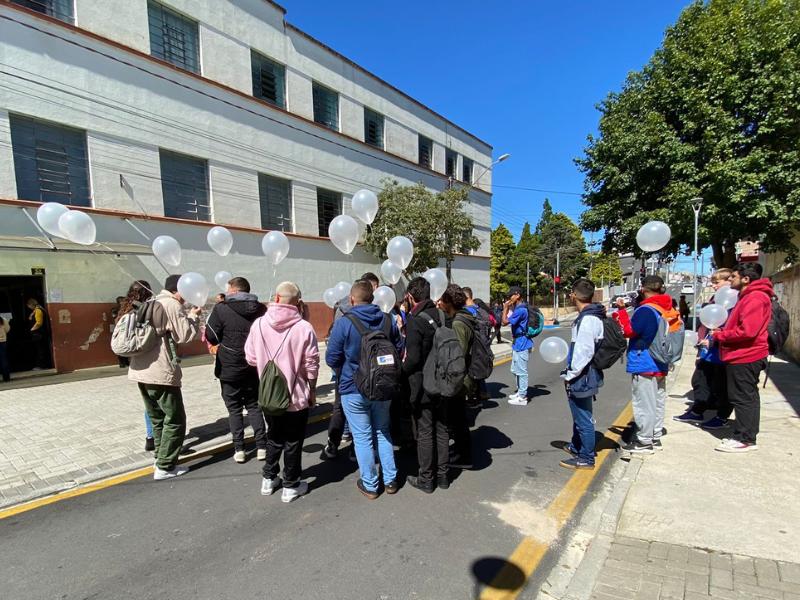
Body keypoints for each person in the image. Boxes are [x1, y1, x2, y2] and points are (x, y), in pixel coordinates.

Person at [325, 280, 402, 499]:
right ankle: (390, 480)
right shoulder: (387, 320)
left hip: (353, 387)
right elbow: (398, 349)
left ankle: (370, 484)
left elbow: (331, 357)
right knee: (383, 431)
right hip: (384, 387)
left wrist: (349, 367)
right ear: (373, 299)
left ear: (351, 299)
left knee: (362, 437)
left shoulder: (344, 323)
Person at [245, 281, 319, 502]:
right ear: (298, 302)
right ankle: (291, 484)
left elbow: (250, 358)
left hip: (269, 395)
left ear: (276, 298)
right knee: (294, 441)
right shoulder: (304, 327)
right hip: (296, 395)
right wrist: (312, 390)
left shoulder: (258, 324)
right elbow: (311, 363)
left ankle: (269, 479)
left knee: (274, 436)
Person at [127, 275, 201, 480]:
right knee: (175, 419)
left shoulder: (152, 302)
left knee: (157, 417)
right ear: (179, 289)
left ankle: (160, 459)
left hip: (140, 369)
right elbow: (185, 336)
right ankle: (166, 466)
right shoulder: (172, 305)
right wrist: (193, 317)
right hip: (161, 371)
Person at [205, 277, 268, 464]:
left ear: (233, 290)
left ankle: (239, 449)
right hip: (254, 365)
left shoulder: (221, 309)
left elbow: (212, 336)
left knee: (234, 410)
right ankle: (262, 446)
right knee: (254, 406)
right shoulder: (262, 309)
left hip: (229, 366)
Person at [711, 263, 773, 453]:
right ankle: (747, 435)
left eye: (733, 277)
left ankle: (744, 438)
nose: (730, 280)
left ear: (746, 279)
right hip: (744, 354)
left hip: (745, 355)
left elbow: (748, 331)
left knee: (742, 398)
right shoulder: (750, 296)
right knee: (747, 397)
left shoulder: (754, 298)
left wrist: (720, 335)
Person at [614, 275, 675, 455]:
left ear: (642, 289)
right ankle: (654, 436)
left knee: (644, 402)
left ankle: (644, 441)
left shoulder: (646, 310)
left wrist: (621, 311)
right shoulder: (666, 308)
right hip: (661, 360)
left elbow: (629, 331)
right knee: (657, 401)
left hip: (645, 360)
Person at [403, 277, 450, 493]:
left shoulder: (415, 320)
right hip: (443, 379)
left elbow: (412, 359)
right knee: (441, 427)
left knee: (424, 430)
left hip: (423, 383)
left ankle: (426, 479)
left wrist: (400, 372)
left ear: (411, 297)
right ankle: (443, 476)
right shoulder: (441, 314)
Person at [674, 269, 733, 429]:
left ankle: (721, 416)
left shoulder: (733, 301)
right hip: (707, 349)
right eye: (713, 282)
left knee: (721, 387)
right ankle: (697, 410)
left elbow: (730, 327)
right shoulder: (716, 299)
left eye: (717, 282)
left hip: (721, 352)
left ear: (728, 281)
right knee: (700, 381)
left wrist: (716, 337)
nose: (714, 286)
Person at [560, 278, 605, 470]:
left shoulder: (587, 320)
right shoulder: (593, 316)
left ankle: (586, 457)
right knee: (579, 415)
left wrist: (570, 375)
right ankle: (576, 446)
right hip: (585, 373)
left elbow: (583, 352)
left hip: (582, 375)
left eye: (571, 293)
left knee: (583, 417)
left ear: (575, 295)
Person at [437, 284, 475, 473]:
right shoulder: (462, 318)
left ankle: (464, 456)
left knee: (458, 419)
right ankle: (461, 452)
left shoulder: (459, 323)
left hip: (460, 379)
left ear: (449, 302)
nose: (440, 303)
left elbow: (457, 355)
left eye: (442, 300)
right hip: (464, 377)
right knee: (458, 417)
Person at [502, 286, 532, 405]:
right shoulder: (519, 308)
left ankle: (523, 397)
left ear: (517, 295)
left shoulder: (520, 310)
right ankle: (520, 392)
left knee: (521, 371)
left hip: (522, 343)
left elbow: (504, 322)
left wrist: (505, 308)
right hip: (518, 342)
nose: (509, 298)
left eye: (511, 296)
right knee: (515, 369)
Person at [27, 298, 50, 370]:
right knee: (40, 349)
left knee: (40, 349)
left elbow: (39, 323)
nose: (28, 307)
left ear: (31, 304)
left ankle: (42, 365)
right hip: (39, 333)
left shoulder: (38, 310)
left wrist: (32, 329)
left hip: (39, 333)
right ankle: (43, 365)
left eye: (28, 306)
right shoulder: (37, 310)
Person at [0, 315, 10, 382]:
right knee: (3, 359)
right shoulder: (3, 320)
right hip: (2, 341)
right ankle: (6, 378)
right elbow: (7, 329)